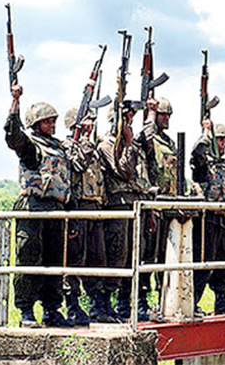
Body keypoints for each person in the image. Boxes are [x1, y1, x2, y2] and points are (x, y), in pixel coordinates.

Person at [5, 84, 71, 327]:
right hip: (33, 205)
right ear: (35, 124)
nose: (52, 126)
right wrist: (15, 102)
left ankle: (52, 309)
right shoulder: (29, 144)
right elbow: (13, 135)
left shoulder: (58, 147)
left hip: (56, 208)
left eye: (53, 122)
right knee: (29, 259)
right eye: (47, 122)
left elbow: (66, 180)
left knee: (54, 262)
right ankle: (26, 311)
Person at [97, 102, 151, 321]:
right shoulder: (107, 145)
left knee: (134, 256)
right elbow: (125, 172)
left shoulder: (134, 146)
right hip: (118, 206)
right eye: (125, 119)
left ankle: (126, 303)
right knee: (117, 255)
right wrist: (128, 142)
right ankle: (105, 303)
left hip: (136, 204)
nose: (129, 122)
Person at [61, 107, 105, 326]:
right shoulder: (68, 146)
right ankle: (72, 305)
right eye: (87, 120)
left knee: (96, 257)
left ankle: (97, 304)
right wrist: (85, 139)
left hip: (94, 208)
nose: (91, 123)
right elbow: (77, 164)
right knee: (74, 257)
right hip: (77, 208)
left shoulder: (92, 146)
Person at [190, 120, 225, 314]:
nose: (223, 144)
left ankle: (220, 300)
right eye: (220, 140)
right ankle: (192, 301)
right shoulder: (204, 163)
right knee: (204, 262)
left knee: (223, 262)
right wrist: (206, 132)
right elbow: (197, 153)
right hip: (207, 219)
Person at [137, 97, 178, 319]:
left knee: (165, 257)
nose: (166, 119)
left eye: (167, 115)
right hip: (152, 204)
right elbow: (144, 138)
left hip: (167, 205)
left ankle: (165, 301)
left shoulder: (169, 142)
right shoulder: (148, 138)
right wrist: (150, 115)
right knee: (147, 256)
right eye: (163, 115)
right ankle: (142, 301)